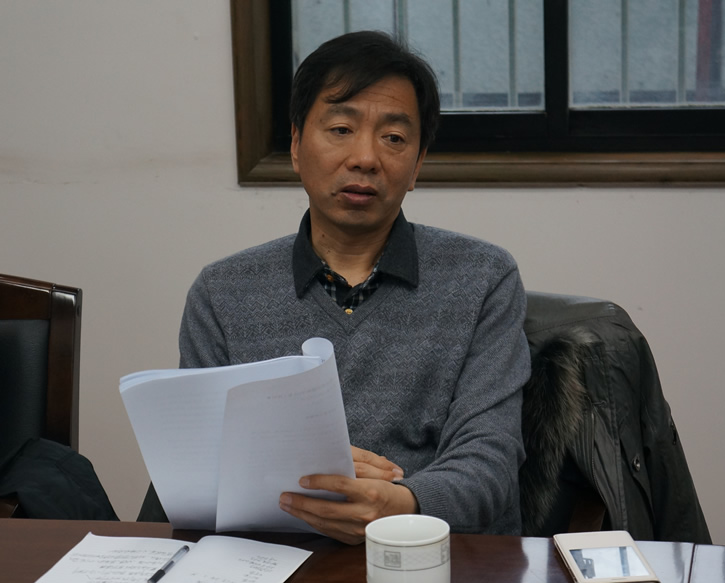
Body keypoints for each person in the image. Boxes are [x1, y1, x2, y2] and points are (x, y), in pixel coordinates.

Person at [140, 31, 530, 544]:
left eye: (394, 138)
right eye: (341, 129)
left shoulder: (482, 278)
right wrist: (302, 474)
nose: (365, 157)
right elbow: (198, 467)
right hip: (270, 566)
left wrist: (398, 505)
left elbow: (490, 463)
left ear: (417, 164)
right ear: (296, 146)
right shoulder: (223, 292)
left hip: (430, 557)